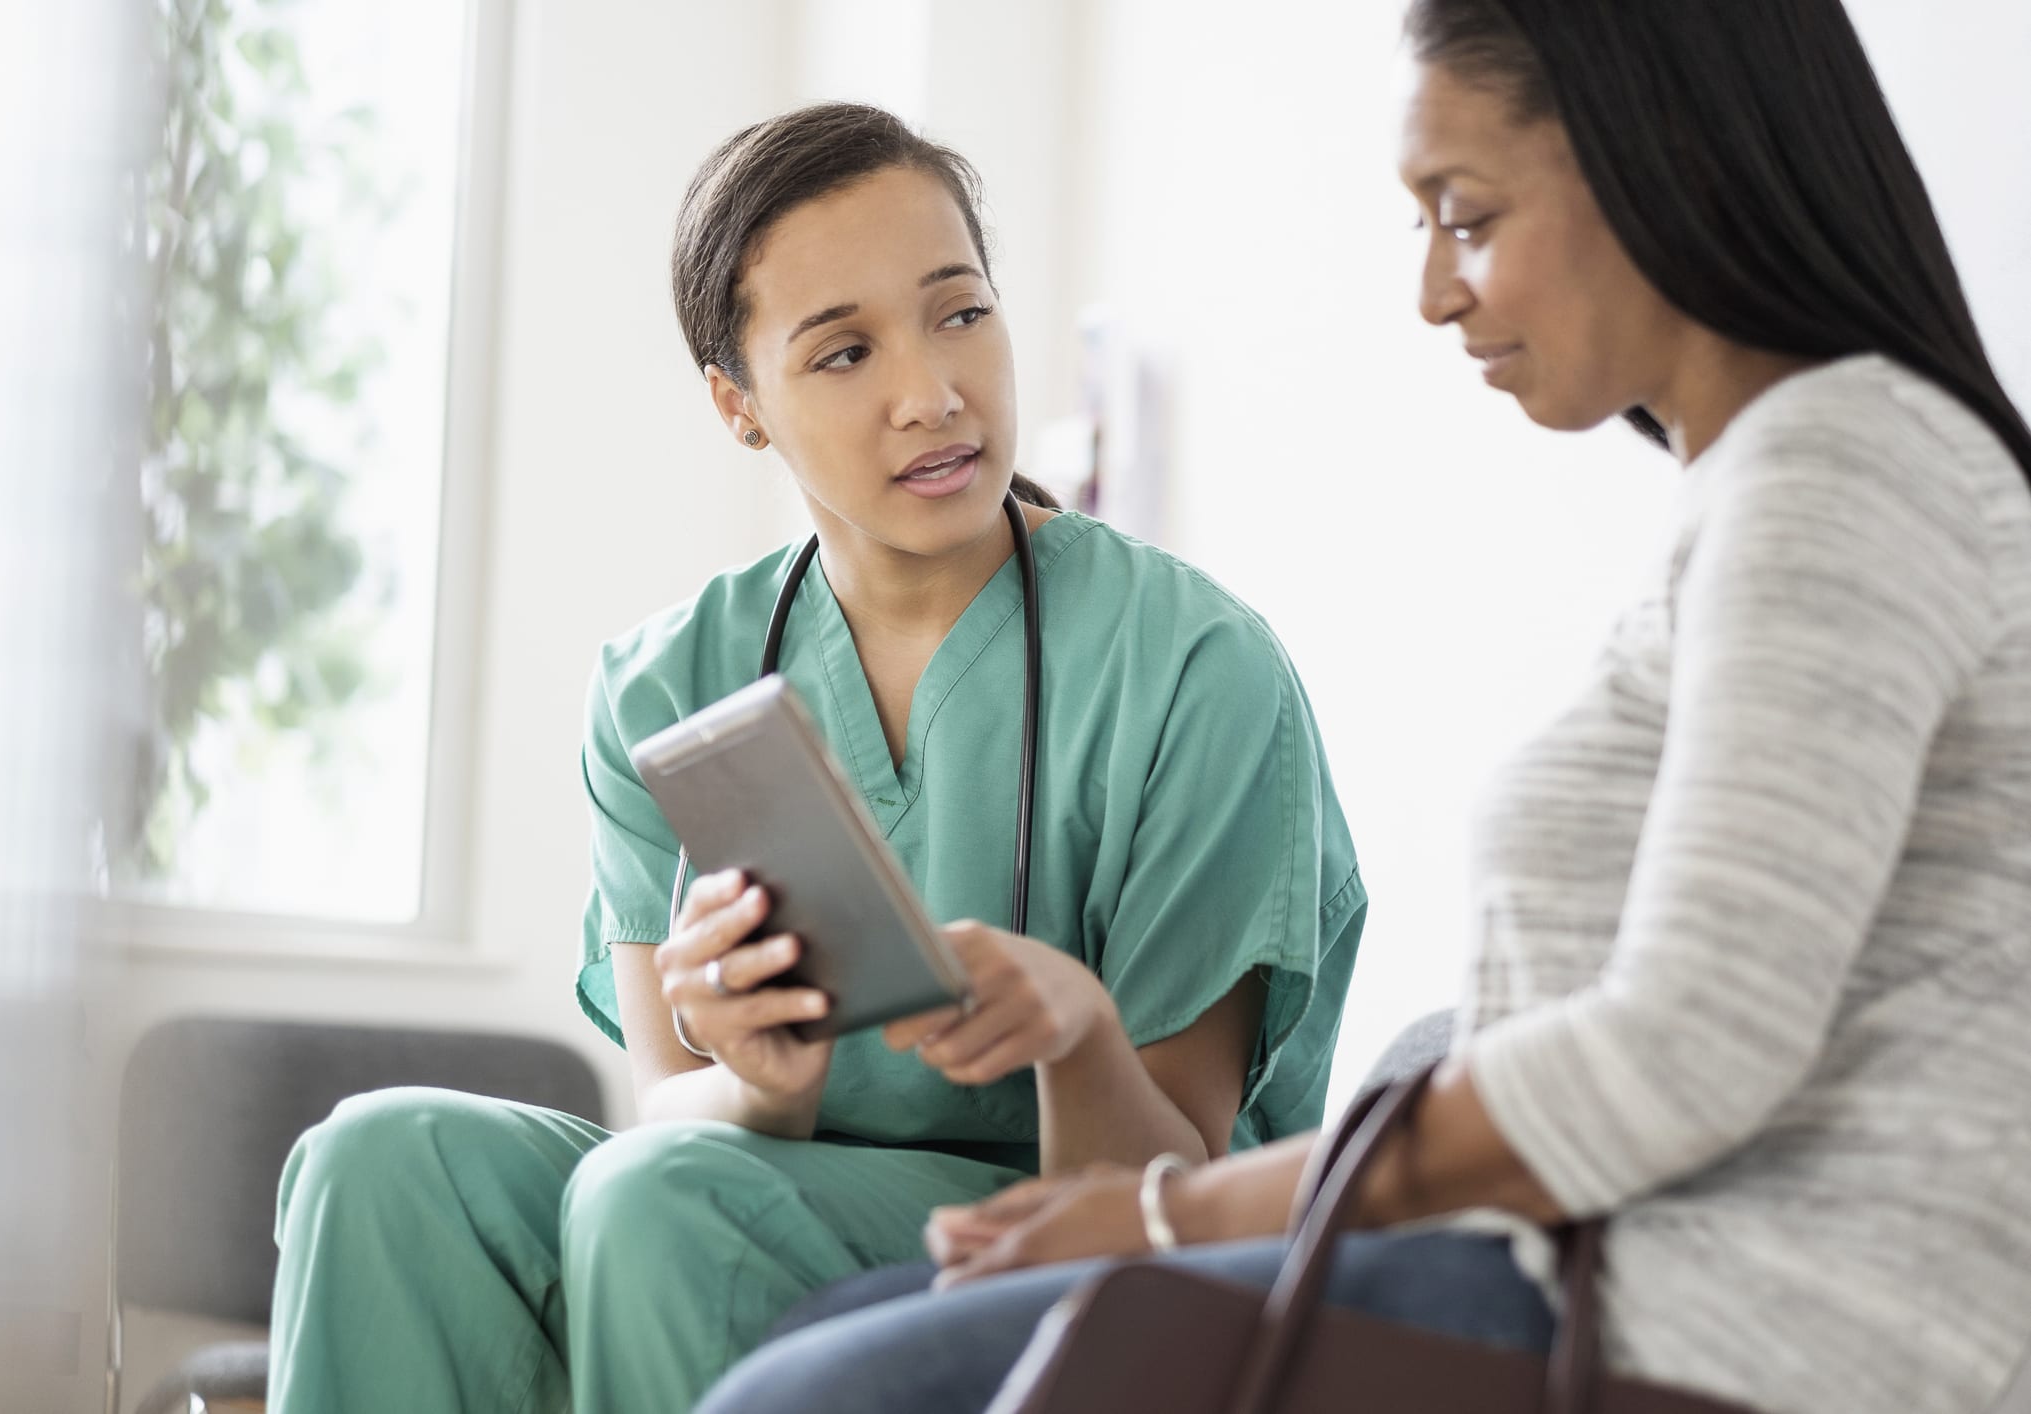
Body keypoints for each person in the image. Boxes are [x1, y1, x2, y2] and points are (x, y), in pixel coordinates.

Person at [694, 4, 2031, 1414]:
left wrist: (1172, 1216)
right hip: (1609, 1279)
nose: (1435, 294)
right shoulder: (1776, 486)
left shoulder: (1840, 470)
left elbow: (1685, 1048)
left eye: (1463, 215)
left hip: (1741, 1325)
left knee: (816, 1396)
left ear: (1668, 162)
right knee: (832, 1337)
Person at [262, 102, 1365, 1414]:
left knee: (656, 1197)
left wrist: (1074, 1029)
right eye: (842, 352)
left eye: (960, 311)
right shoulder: (665, 687)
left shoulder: (1191, 667)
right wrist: (756, 1088)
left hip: (1081, 1236)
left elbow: (1173, 1182)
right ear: (739, 404)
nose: (932, 391)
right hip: (731, 1185)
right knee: (384, 1153)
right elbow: (665, 1108)